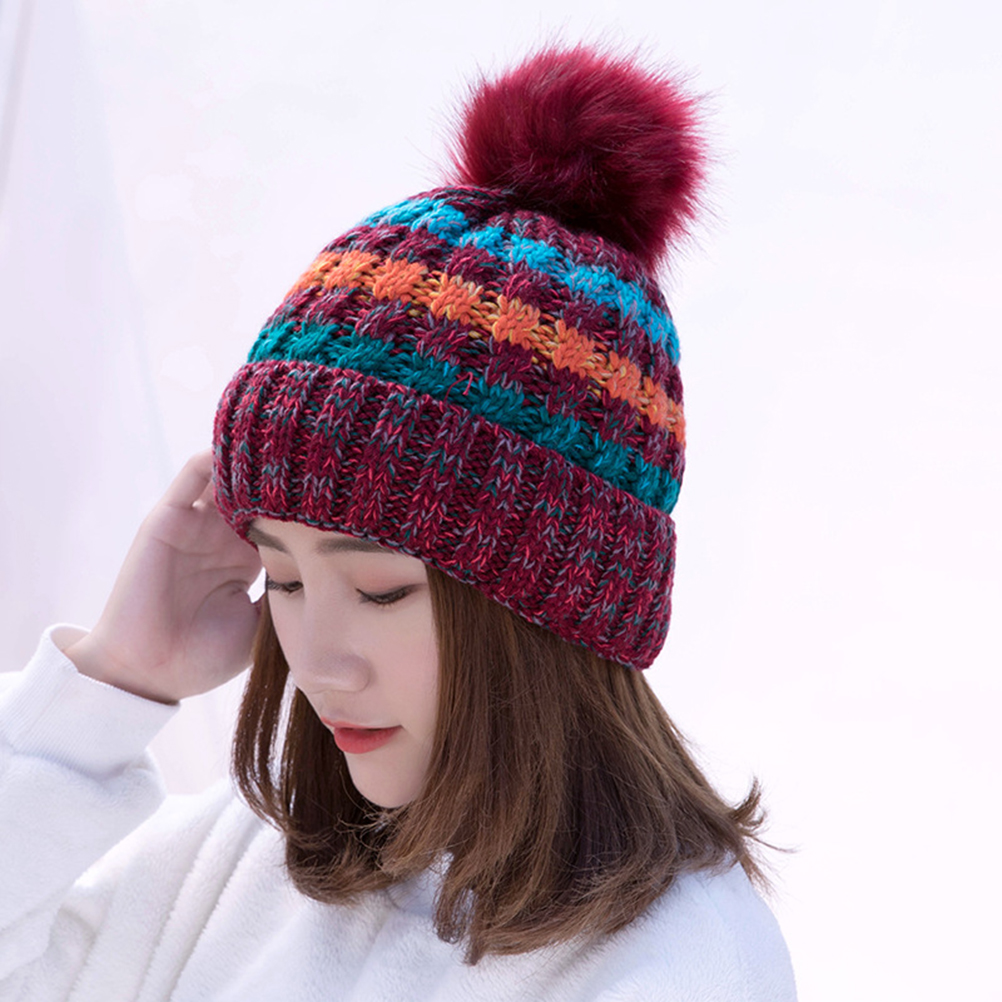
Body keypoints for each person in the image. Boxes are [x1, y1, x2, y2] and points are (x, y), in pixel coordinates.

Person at [0, 44, 798, 1001]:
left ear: (557, 608)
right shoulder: (247, 855)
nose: (317, 665)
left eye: (380, 589)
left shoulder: (677, 966)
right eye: (283, 578)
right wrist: (113, 685)